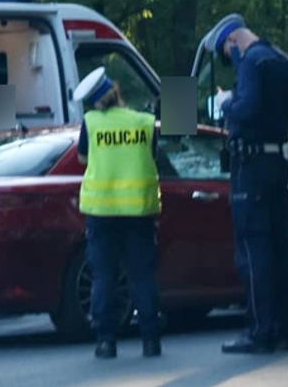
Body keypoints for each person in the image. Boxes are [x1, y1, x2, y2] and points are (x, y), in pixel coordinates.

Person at [204, 13, 288, 355]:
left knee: (253, 250)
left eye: (228, 54)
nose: (232, 61)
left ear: (232, 41)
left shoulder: (251, 63)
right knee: (281, 247)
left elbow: (246, 108)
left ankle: (260, 331)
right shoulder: (284, 62)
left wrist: (226, 101)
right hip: (280, 162)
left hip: (252, 166)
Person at [75, 66, 162, 359]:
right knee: (142, 275)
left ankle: (106, 341)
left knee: (104, 276)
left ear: (97, 102)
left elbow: (82, 157)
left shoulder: (91, 123)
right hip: (139, 210)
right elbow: (153, 155)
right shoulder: (145, 121)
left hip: (102, 212)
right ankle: (151, 340)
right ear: (117, 91)